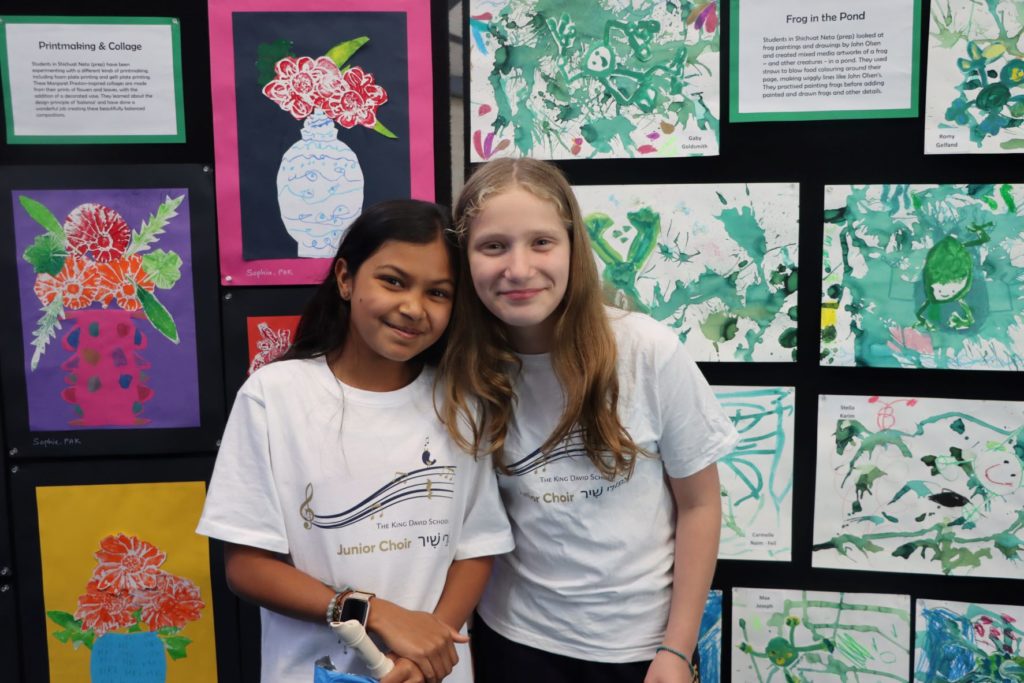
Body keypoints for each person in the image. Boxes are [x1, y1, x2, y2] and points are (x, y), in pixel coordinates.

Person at [439, 159, 739, 683]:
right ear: (464, 259)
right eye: (493, 246)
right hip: (514, 638)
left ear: (575, 247)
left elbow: (700, 503)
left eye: (541, 242)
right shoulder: (463, 366)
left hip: (639, 645)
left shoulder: (647, 351)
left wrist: (676, 649)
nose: (518, 267)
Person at [197, 200, 514, 683]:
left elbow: (477, 547)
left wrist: (430, 644)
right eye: (392, 281)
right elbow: (246, 565)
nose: (413, 307)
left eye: (438, 292)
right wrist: (373, 611)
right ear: (346, 279)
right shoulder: (274, 396)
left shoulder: (462, 405)